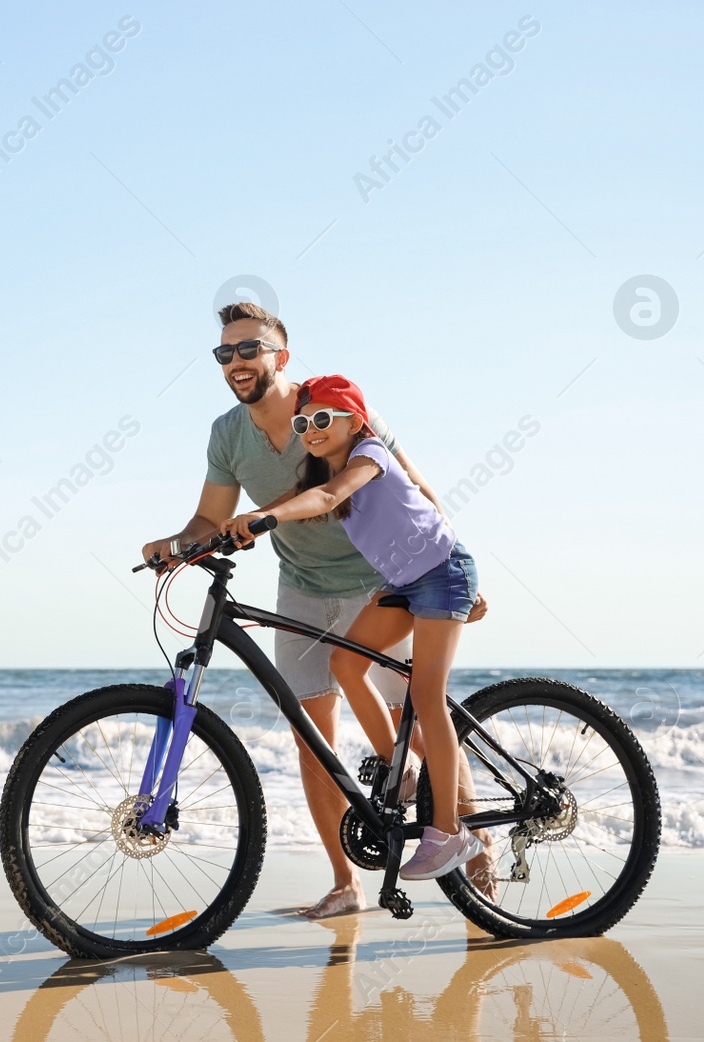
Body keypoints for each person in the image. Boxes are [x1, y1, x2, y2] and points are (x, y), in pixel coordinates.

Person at [141, 302, 487, 916]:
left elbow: (410, 482)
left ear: (281, 356)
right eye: (225, 353)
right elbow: (210, 518)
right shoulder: (228, 433)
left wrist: (455, 562)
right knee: (311, 737)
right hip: (300, 583)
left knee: (417, 707)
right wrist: (176, 544)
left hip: (383, 577)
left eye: (250, 349)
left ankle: (476, 850)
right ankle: (345, 883)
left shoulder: (335, 407)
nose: (237, 362)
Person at [222, 374, 485, 880]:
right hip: (405, 582)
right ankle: (401, 770)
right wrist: (229, 532)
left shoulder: (370, 457)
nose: (311, 429)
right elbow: (312, 499)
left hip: (441, 574)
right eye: (303, 422)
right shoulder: (323, 474)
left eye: (323, 418)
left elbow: (325, 501)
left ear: (356, 421)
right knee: (345, 662)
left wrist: (262, 516)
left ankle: (449, 833)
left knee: (426, 695)